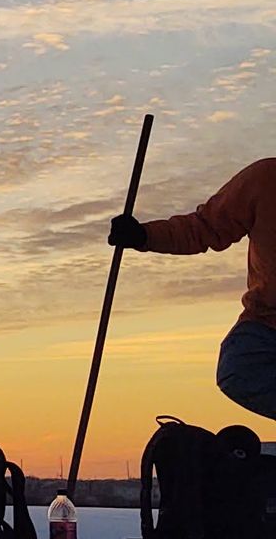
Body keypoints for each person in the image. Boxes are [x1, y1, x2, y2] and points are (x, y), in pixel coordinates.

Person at [109, 157, 276, 423]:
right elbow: (206, 227)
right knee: (237, 369)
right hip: (266, 321)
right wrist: (143, 235)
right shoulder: (266, 179)